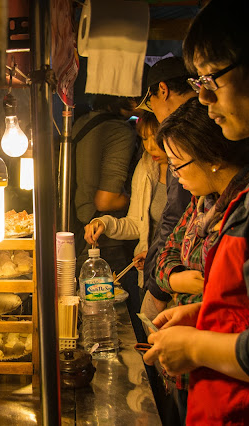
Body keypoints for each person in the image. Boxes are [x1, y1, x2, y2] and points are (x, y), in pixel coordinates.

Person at [144, 0, 249, 423]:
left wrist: (195, 346)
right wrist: (206, 315)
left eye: (212, 79)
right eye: (198, 81)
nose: (203, 97)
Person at [152, 98, 249, 424]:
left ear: (211, 158)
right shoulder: (201, 204)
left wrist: (198, 332)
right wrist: (179, 282)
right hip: (197, 369)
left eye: (178, 164)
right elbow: (164, 256)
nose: (175, 175)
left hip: (239, 381)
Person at [83, 111, 166, 341]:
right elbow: (136, 224)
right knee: (149, 342)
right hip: (147, 276)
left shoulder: (187, 173)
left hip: (175, 279)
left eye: (156, 138)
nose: (150, 146)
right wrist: (104, 222)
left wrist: (157, 255)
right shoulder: (147, 166)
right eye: (145, 139)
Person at [135, 57, 196, 322]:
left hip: (179, 282)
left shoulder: (187, 131)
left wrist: (159, 286)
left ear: (162, 90)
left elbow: (175, 215)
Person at [72, 94, 140, 327]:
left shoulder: (83, 122)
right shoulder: (119, 131)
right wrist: (140, 202)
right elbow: (106, 201)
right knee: (110, 321)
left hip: (78, 230)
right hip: (103, 241)